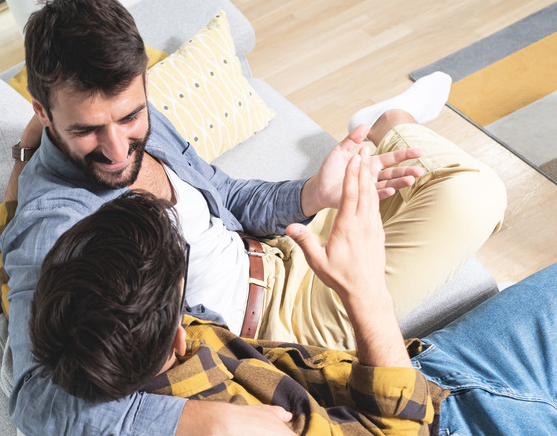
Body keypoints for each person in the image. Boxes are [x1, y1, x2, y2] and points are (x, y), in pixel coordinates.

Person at [0, 0, 507, 433]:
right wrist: (198, 422)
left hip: (282, 248)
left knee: (394, 180)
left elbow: (223, 192)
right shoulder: (54, 227)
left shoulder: (145, 126)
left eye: (129, 116)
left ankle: (384, 123)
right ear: (41, 111)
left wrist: (311, 194)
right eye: (88, 129)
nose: (116, 148)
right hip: (277, 321)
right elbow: (35, 404)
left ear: (144, 84)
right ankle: (394, 121)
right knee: (474, 195)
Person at [29, 169, 556, 435]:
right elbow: (404, 429)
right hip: (443, 419)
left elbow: (10, 274)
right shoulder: (244, 425)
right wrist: (365, 291)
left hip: (429, 372)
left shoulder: (85, 335)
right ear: (177, 333)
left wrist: (29, 153)